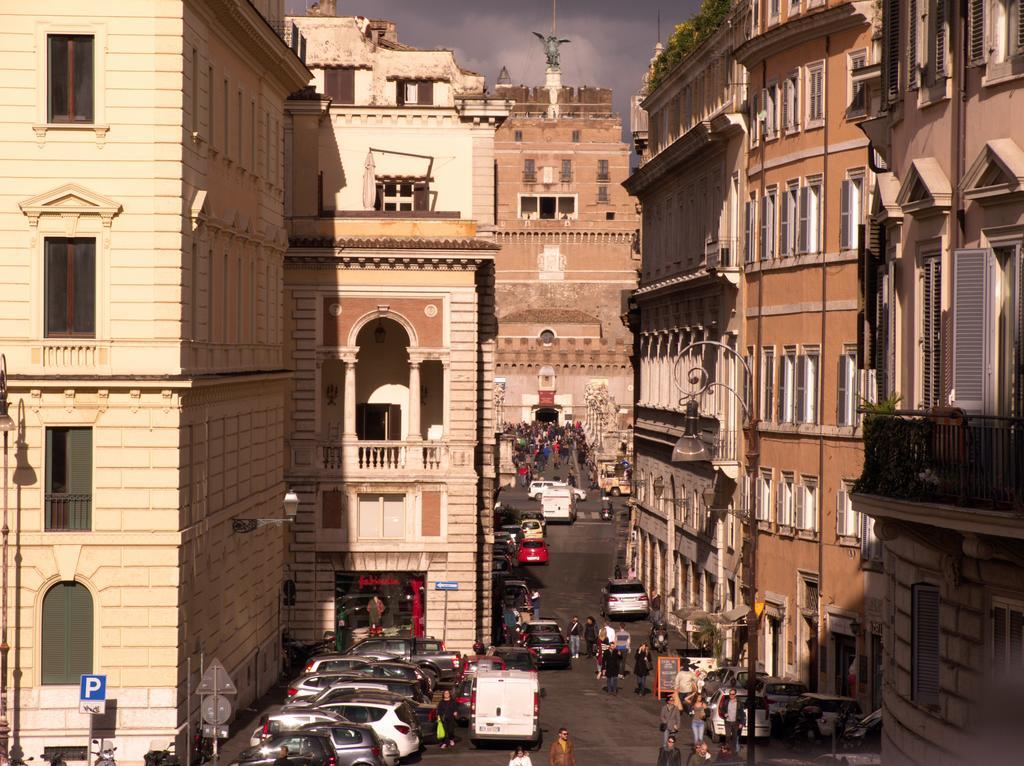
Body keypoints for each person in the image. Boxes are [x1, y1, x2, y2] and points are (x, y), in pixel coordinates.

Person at [722, 687, 746, 755]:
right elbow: (722, 709)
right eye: (730, 694)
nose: (731, 695)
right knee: (727, 736)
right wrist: (724, 713)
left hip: (736, 722)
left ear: (735, 695)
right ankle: (727, 750)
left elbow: (742, 713)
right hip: (728, 722)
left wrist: (742, 723)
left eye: (732, 694)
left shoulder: (739, 703)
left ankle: (733, 751)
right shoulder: (726, 701)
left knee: (735, 737)